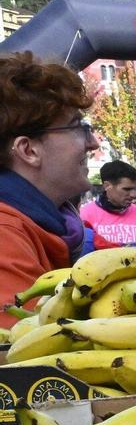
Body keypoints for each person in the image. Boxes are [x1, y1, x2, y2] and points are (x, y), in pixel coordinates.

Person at [0, 53, 91, 314]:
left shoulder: (51, 225)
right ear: (28, 150)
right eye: (77, 127)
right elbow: (28, 337)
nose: (93, 143)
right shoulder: (5, 235)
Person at [80, 161, 136, 250]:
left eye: (135, 189)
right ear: (107, 186)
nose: (135, 195)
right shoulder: (83, 216)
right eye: (127, 189)